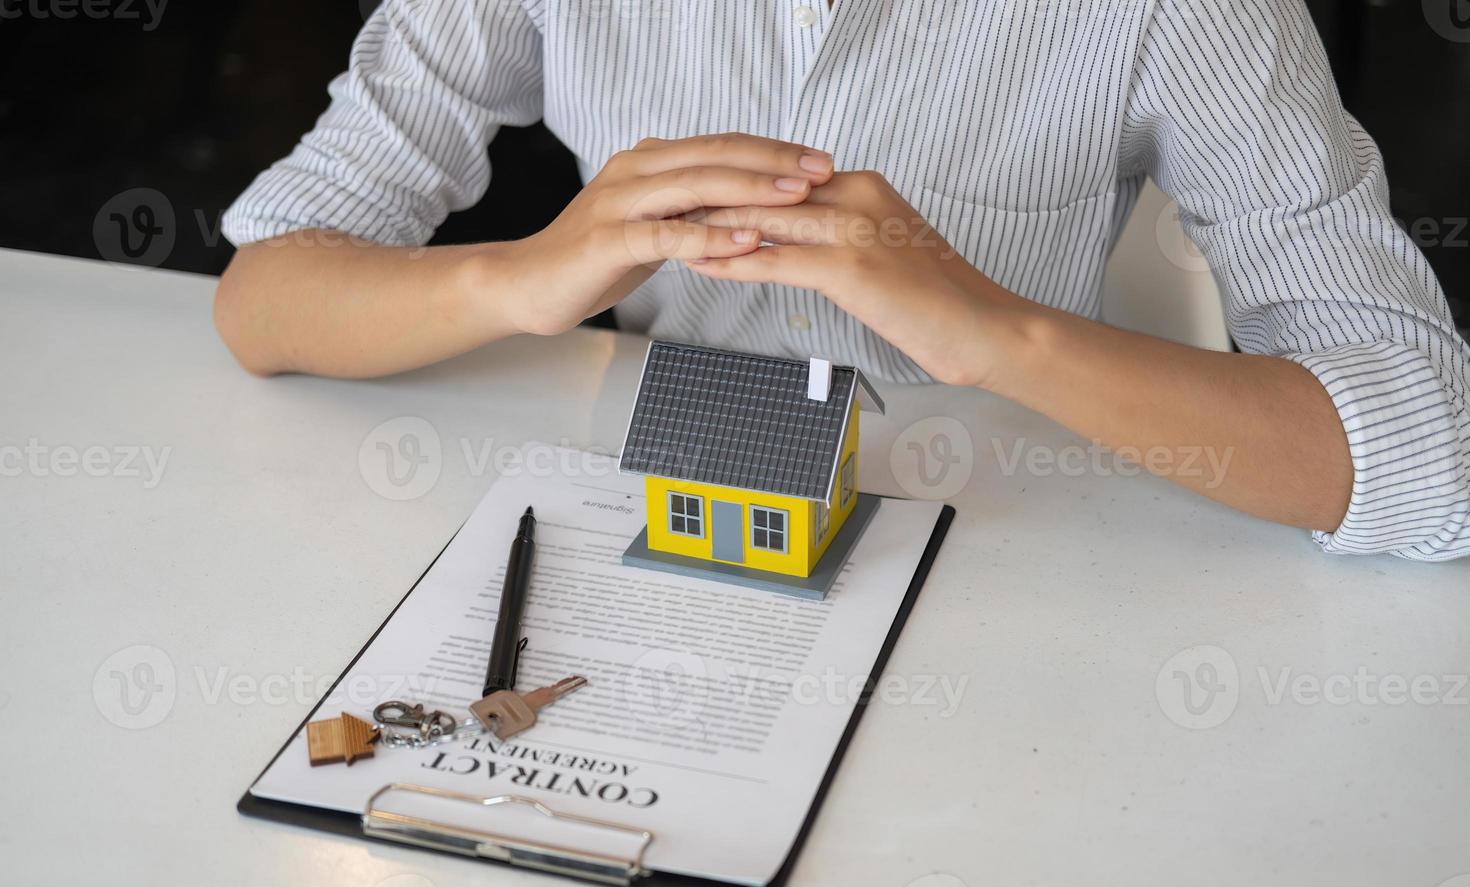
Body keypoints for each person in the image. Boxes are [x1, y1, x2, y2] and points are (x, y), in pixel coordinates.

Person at [214, 0, 1470, 561]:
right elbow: (265, 294)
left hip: (1002, 559)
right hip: (642, 525)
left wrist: (1003, 336)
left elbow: (1439, 455)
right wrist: (528, 278)